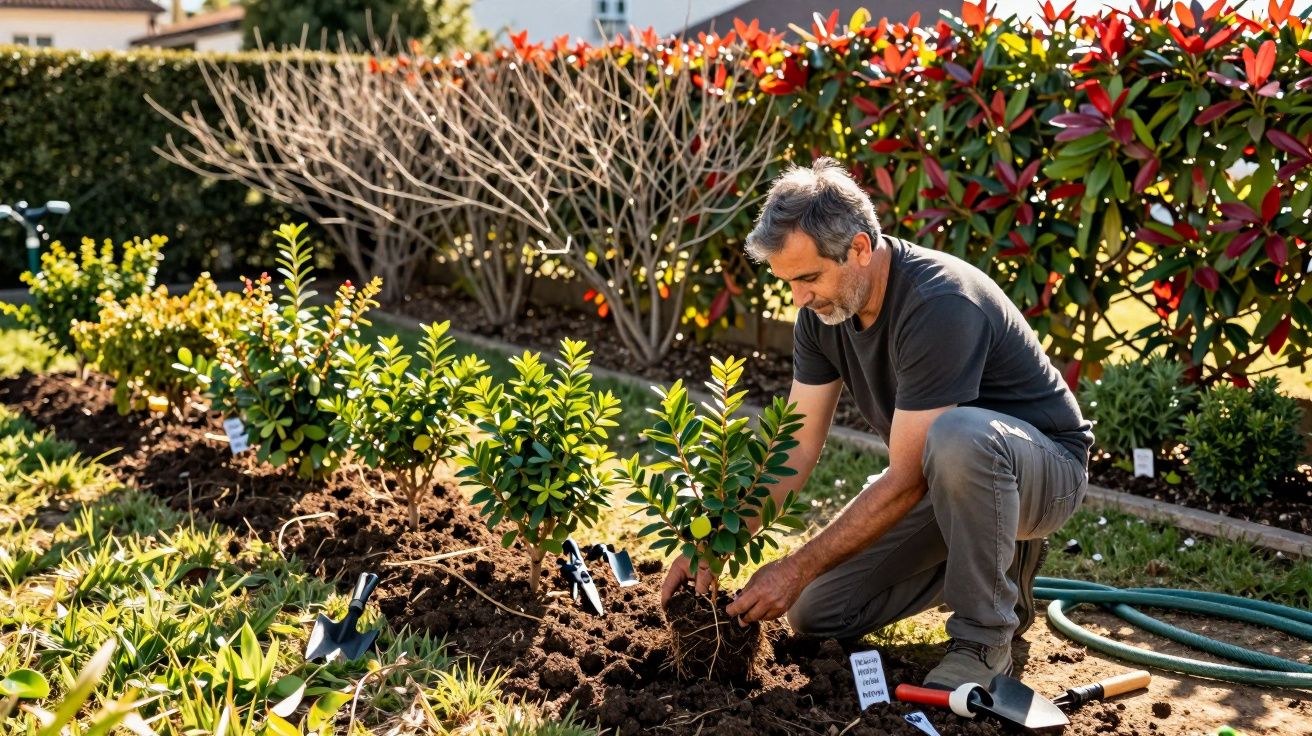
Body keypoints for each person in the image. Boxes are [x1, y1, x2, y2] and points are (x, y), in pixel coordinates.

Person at [659, 157, 1093, 690]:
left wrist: (796, 565)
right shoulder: (821, 316)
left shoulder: (939, 303)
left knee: (958, 437)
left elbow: (906, 479)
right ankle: (1001, 571)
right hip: (948, 480)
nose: (800, 298)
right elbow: (795, 449)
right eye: (788, 282)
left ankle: (983, 639)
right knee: (816, 610)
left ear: (861, 248)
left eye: (809, 277)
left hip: (1042, 472)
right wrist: (714, 542)